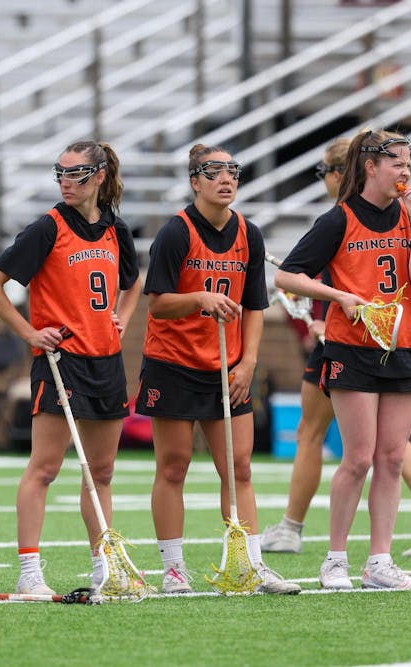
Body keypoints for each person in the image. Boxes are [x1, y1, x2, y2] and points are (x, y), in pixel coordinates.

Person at [263, 138, 411, 559]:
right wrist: (339, 296)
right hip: (352, 350)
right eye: (396, 164)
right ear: (370, 167)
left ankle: (380, 559)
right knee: (358, 459)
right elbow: (287, 278)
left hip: (403, 347)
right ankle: (334, 557)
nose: (405, 171)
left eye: (409, 163)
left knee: (390, 458)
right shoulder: (338, 219)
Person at [0, 140, 141, 595]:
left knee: (101, 472)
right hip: (59, 362)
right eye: (61, 174)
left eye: (77, 174)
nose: (67, 182)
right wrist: (30, 333)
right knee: (44, 468)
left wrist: (121, 320)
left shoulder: (114, 229)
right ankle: (30, 573)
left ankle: (102, 566)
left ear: (100, 177)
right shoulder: (47, 228)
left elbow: (133, 282)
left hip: (105, 362)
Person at [137, 143, 300, 595]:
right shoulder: (176, 232)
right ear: (195, 181)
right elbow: (159, 305)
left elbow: (254, 306)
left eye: (233, 171)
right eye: (214, 172)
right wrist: (199, 299)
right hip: (173, 364)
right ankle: (173, 568)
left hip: (227, 366)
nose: (226, 179)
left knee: (239, 467)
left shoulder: (250, 232)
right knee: (174, 466)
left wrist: (248, 362)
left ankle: (249, 563)